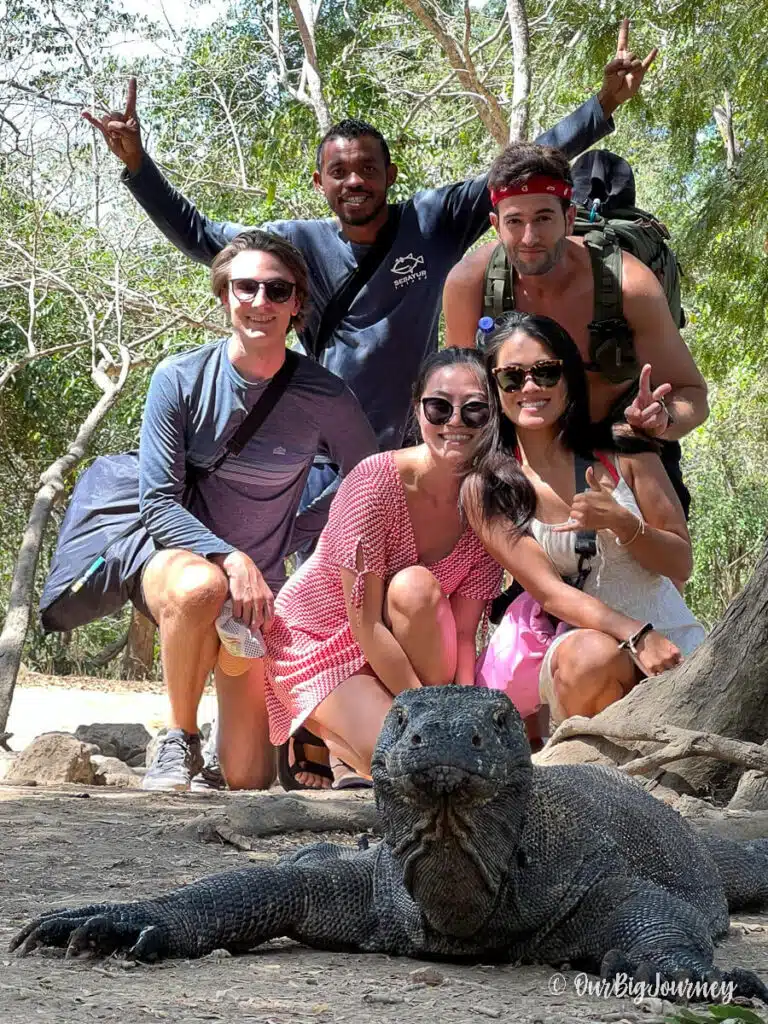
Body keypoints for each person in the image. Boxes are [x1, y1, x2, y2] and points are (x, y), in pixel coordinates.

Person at [82, 20, 654, 513]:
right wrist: (139, 165)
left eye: (367, 169)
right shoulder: (293, 246)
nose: (355, 181)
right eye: (339, 172)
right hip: (328, 461)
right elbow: (202, 235)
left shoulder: (434, 221)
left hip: (428, 446)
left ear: (390, 174)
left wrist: (601, 107)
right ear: (320, 182)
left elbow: (514, 175)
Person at [137, 229, 376, 792]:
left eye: (277, 291)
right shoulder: (179, 379)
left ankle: (230, 694)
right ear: (224, 296)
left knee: (247, 780)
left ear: (297, 306)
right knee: (203, 588)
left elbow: (369, 479)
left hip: (261, 602)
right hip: (177, 571)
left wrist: (301, 530)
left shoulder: (324, 396)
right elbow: (158, 502)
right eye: (246, 287)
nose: (260, 302)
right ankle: (178, 738)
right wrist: (230, 557)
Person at [241, 348, 502, 784]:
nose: (454, 422)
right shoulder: (375, 481)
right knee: (406, 771)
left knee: (415, 589)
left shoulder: (488, 503)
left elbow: (460, 633)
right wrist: (429, 722)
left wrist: (458, 717)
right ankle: (317, 728)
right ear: (417, 408)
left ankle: (347, 737)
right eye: (439, 407)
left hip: (411, 648)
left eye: (474, 410)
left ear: (493, 416)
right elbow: (365, 624)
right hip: (323, 641)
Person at [462, 312, 705, 730]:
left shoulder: (624, 449)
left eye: (545, 372)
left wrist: (624, 524)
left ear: (569, 376)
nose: (531, 387)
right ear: (495, 387)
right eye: (512, 377)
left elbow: (681, 563)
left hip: (673, 643)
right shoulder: (487, 489)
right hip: (587, 652)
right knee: (591, 656)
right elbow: (551, 593)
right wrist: (636, 635)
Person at [442, 140, 709, 517]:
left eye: (544, 218)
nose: (530, 237)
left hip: (623, 446)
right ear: (495, 224)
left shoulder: (628, 284)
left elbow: (693, 395)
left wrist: (663, 419)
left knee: (659, 566)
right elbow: (459, 396)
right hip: (523, 458)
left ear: (569, 218)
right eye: (515, 221)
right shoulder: (468, 283)